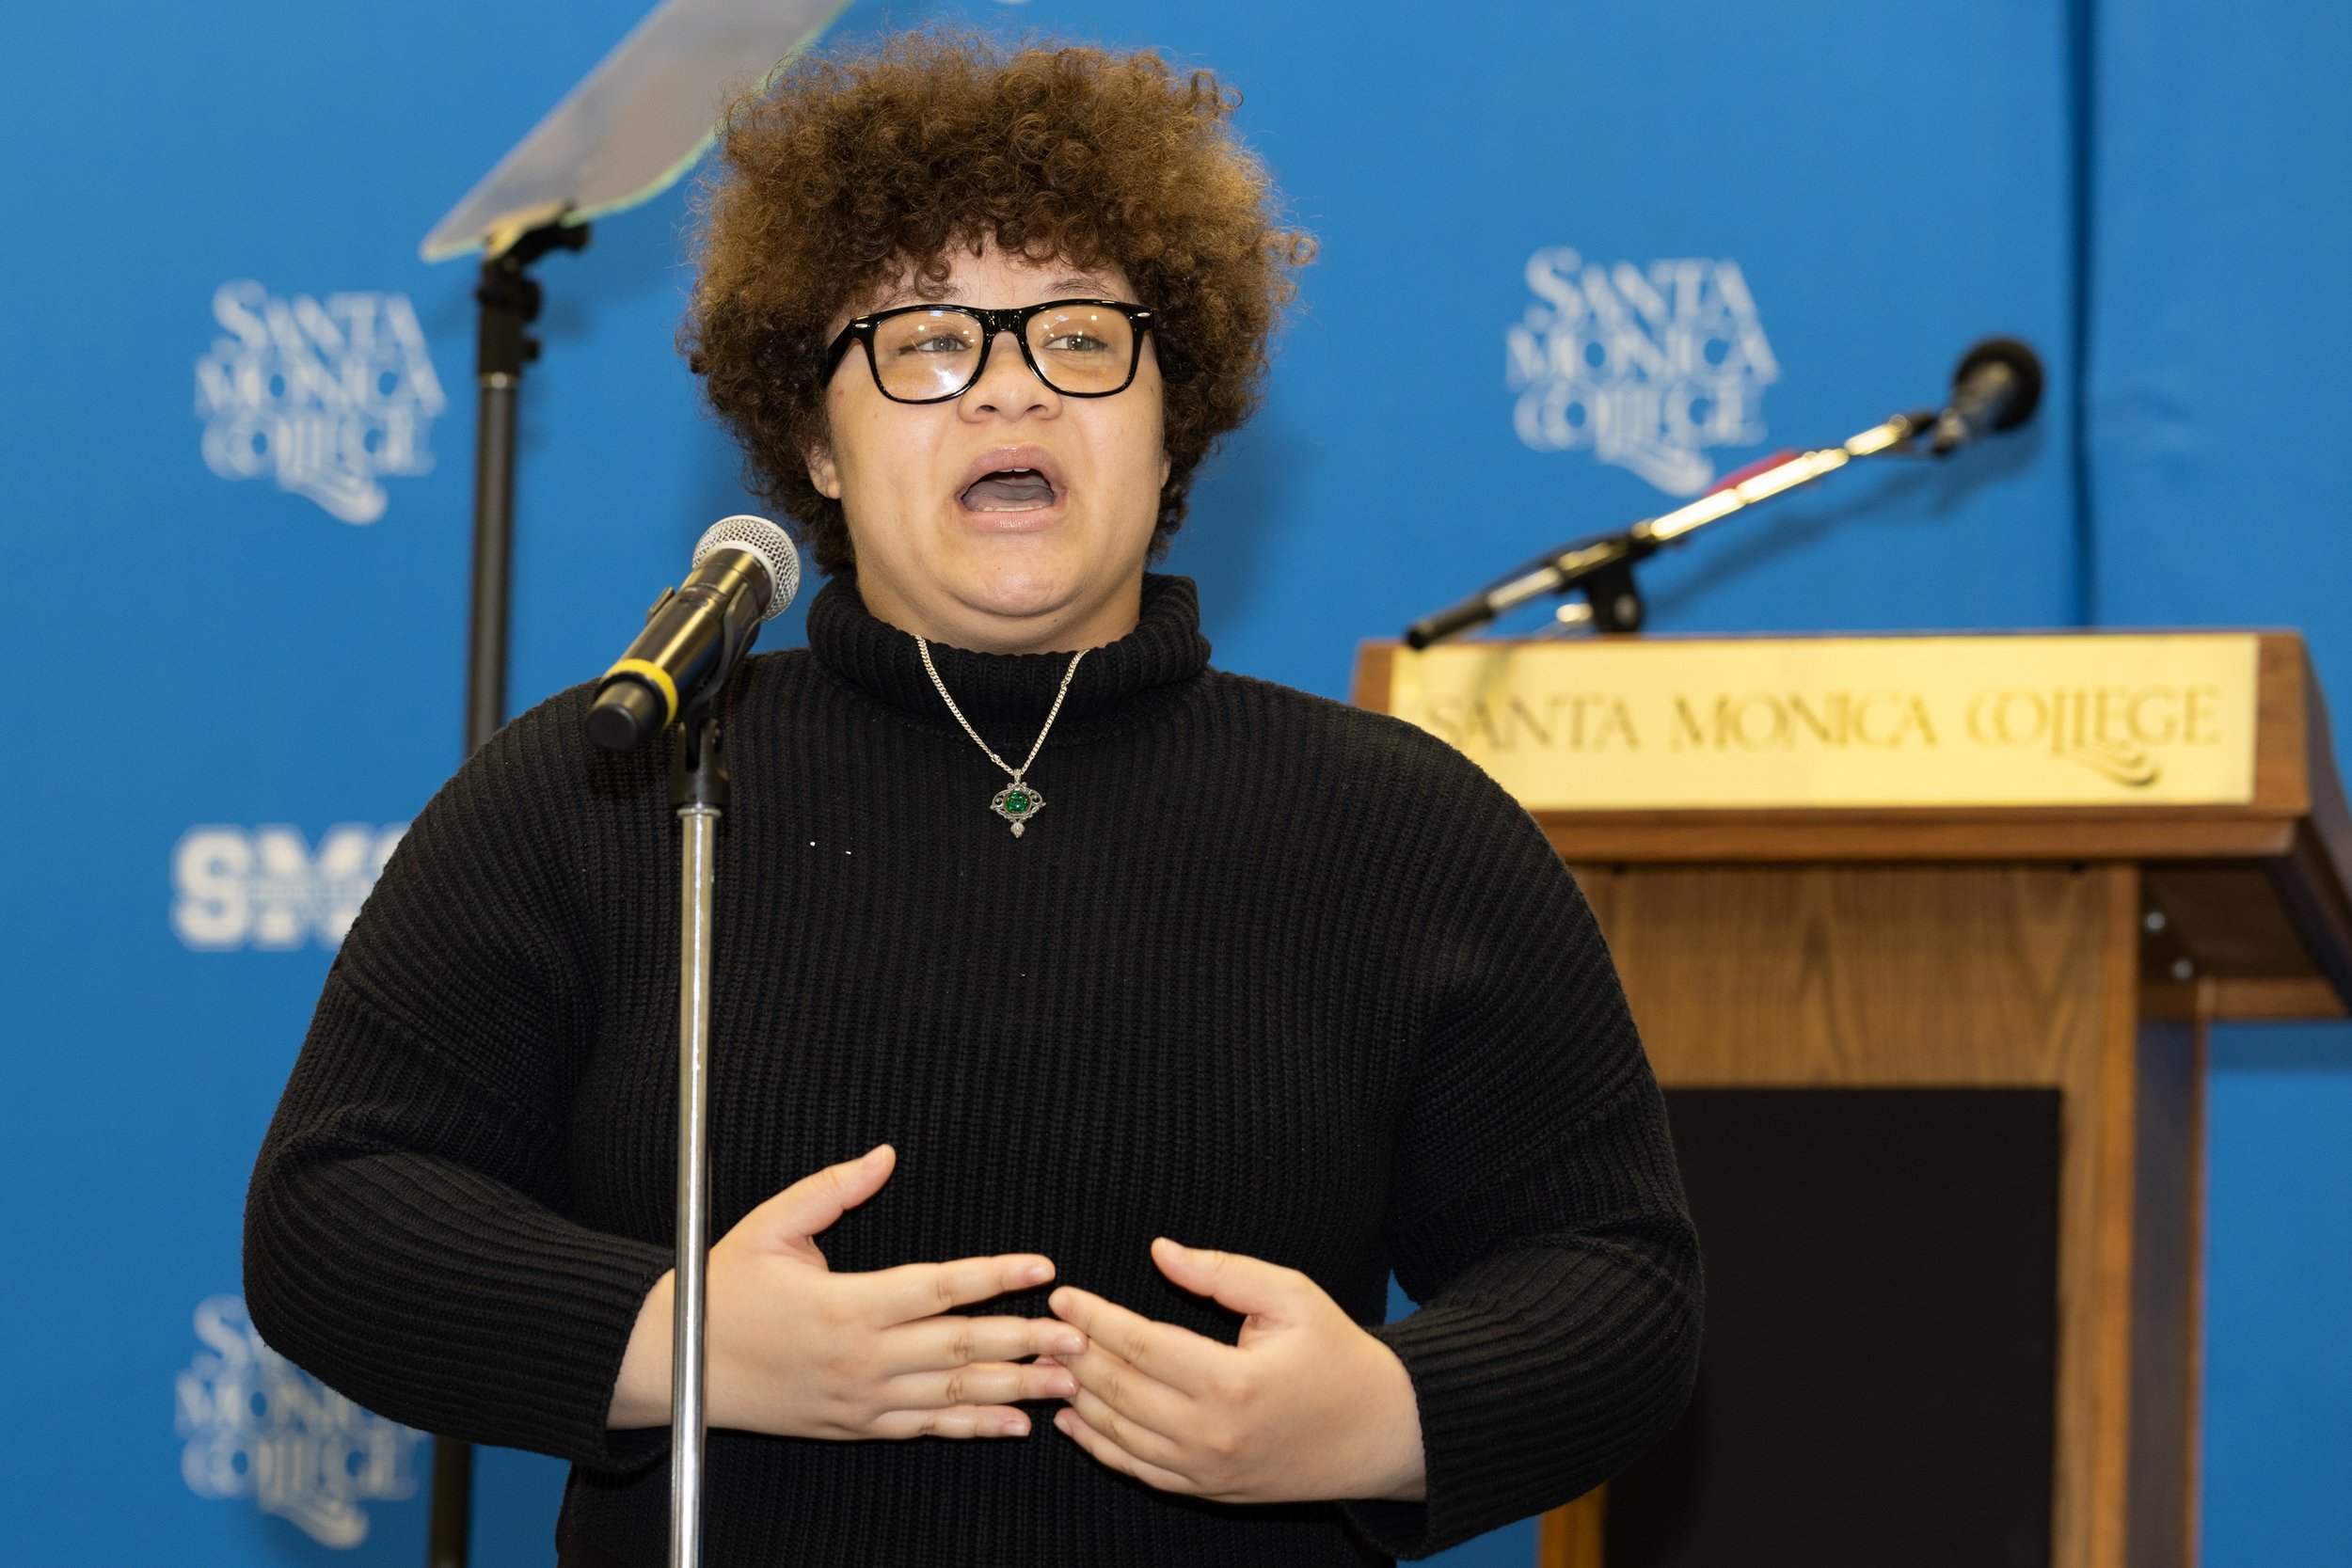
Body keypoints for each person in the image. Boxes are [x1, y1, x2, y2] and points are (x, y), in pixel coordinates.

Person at [244, 29, 1701, 1568]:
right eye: (926, 343)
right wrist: (689, 1343)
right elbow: (336, 1215)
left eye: (1079, 339)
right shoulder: (620, 777)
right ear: (813, 435)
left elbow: (1616, 1282)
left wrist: (1380, 1418)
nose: (1009, 394)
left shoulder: (1402, 826)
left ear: (1170, 411)